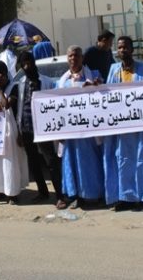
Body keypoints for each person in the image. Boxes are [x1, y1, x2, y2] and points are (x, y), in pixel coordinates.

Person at [104, 36, 143, 211]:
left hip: (141, 124)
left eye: (125, 47)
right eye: (120, 48)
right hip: (121, 126)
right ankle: (126, 197)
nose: (122, 50)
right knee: (122, 160)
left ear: (132, 49)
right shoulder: (113, 70)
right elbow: (107, 94)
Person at [15, 51, 64, 208]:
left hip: (44, 128)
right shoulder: (21, 83)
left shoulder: (47, 82)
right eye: (23, 64)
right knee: (33, 161)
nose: (26, 66)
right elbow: (20, 106)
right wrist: (19, 130)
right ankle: (43, 192)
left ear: (33, 62)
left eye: (28, 62)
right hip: (26, 127)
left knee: (51, 161)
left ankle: (60, 195)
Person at [58, 45, 104, 207]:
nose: (73, 58)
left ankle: (94, 195)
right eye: (70, 56)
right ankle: (75, 195)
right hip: (70, 131)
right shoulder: (62, 81)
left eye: (76, 55)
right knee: (71, 162)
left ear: (82, 58)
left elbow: (103, 94)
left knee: (90, 163)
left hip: (89, 131)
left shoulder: (94, 75)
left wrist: (96, 86)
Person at [0, 60, 28, 204]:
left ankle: (12, 194)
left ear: (2, 74)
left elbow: (6, 105)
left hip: (11, 128)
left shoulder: (14, 87)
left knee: (10, 162)